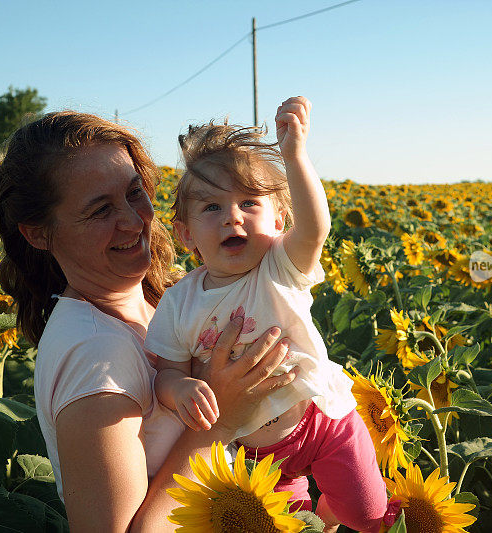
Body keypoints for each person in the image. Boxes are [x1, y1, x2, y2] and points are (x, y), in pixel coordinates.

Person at [0, 110, 297, 531]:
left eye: (135, 193)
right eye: (100, 211)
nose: (135, 221)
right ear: (38, 234)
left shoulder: (162, 304)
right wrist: (222, 418)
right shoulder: (96, 357)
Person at [144, 97, 387, 532]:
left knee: (366, 514)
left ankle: (331, 512)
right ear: (185, 234)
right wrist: (179, 388)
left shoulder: (280, 268)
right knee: (285, 525)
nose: (231, 218)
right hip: (252, 452)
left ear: (279, 221)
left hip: (319, 419)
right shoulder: (178, 302)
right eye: (211, 207)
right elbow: (167, 371)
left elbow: (316, 228)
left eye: (249, 203)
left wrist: (294, 156)